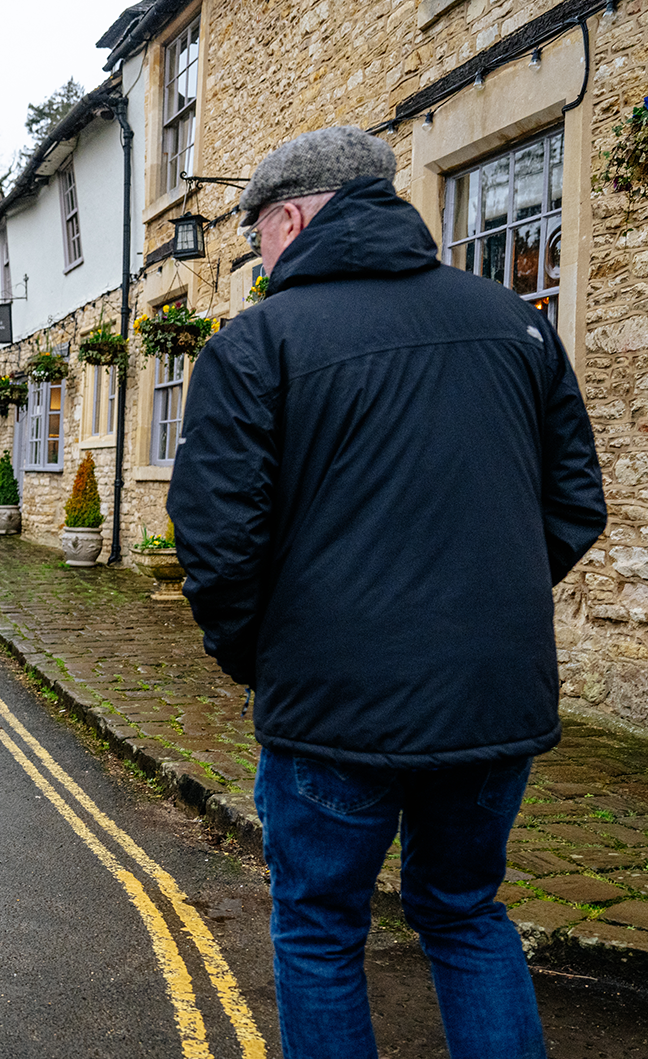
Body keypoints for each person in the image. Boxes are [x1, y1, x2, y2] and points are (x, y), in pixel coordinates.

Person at [166, 126, 606, 1059]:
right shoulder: (518, 323)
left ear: (289, 217)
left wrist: (257, 658)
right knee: (465, 915)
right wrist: (493, 604)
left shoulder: (258, 344)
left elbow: (216, 543)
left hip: (331, 706)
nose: (256, 254)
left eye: (257, 235)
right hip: (492, 693)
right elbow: (576, 505)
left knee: (322, 932)